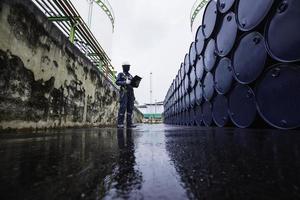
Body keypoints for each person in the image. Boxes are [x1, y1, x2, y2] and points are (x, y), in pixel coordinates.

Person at [115, 62, 136, 128]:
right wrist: (125, 82)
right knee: (122, 108)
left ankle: (129, 123)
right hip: (124, 93)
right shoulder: (120, 74)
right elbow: (117, 82)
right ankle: (120, 123)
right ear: (123, 67)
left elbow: (133, 86)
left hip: (131, 93)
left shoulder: (130, 75)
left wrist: (135, 83)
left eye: (129, 66)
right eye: (127, 66)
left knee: (130, 109)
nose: (128, 68)